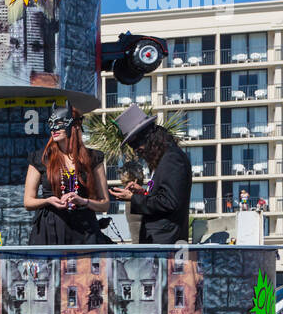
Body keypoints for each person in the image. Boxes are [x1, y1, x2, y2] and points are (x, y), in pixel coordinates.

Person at [24, 105, 110, 245]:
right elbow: (28, 201)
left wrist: (83, 201)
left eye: (59, 124)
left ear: (74, 126)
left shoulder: (93, 158)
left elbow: (105, 204)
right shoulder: (41, 158)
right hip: (51, 229)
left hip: (84, 230)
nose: (54, 129)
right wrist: (48, 200)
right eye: (51, 125)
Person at [108, 104, 192, 244]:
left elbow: (169, 202)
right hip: (159, 239)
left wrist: (134, 198)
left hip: (165, 241)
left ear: (149, 138)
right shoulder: (162, 159)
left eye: (136, 145)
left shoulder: (172, 159)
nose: (136, 151)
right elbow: (164, 197)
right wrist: (142, 193)